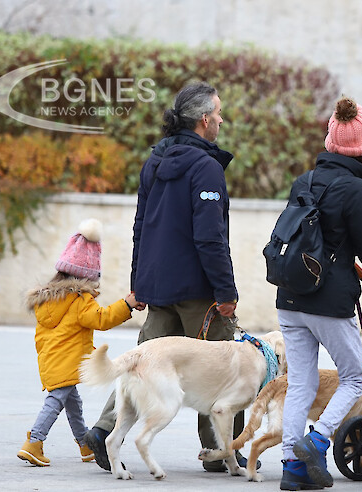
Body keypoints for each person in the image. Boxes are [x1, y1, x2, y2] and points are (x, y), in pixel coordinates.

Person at [83, 82, 253, 473]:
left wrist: (137, 282)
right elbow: (210, 237)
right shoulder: (207, 168)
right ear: (204, 119)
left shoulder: (153, 162)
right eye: (220, 113)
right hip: (197, 290)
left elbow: (140, 227)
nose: (223, 120)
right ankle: (222, 451)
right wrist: (225, 291)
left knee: (142, 363)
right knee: (222, 365)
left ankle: (105, 428)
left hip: (157, 285)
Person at [276, 97, 362, 490]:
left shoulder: (305, 181)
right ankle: (316, 442)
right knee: (354, 378)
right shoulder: (354, 190)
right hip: (329, 305)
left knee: (300, 384)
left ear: (331, 141)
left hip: (290, 298)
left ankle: (291, 470)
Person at [17, 218, 138, 467]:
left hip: (53, 359)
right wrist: (127, 305)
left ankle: (84, 446)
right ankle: (34, 443)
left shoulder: (48, 300)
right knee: (56, 401)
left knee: (73, 403)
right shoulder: (79, 299)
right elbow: (102, 319)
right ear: (89, 276)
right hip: (69, 361)